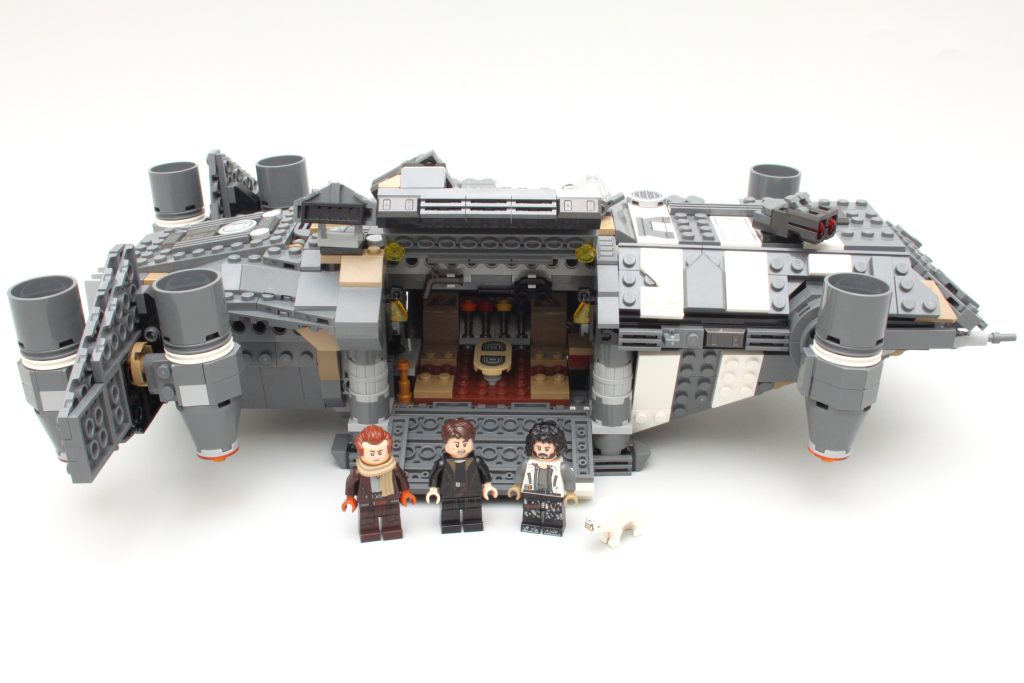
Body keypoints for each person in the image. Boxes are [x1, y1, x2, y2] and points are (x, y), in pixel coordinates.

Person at [341, 425, 416, 542]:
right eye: (371, 453)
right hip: (368, 501)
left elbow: (401, 478)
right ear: (361, 452)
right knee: (368, 522)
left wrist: (405, 492)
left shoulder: (392, 467)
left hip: (390, 499)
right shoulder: (359, 471)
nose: (376, 456)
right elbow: (351, 482)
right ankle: (369, 532)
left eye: (380, 452)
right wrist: (350, 498)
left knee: (392, 520)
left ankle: (392, 530)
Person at [426, 419, 498, 533]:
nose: (461, 448)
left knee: (473, 511)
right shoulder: (442, 463)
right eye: (456, 444)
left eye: (465, 444)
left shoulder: (477, 461)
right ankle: (450, 523)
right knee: (450, 511)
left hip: (472, 492)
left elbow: (485, 473)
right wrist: (433, 489)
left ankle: (473, 522)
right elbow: (434, 476)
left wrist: (488, 486)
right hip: (450, 493)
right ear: (445, 444)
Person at [508, 421, 578, 536]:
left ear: (556, 448)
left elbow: (569, 478)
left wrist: (570, 492)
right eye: (539, 448)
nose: (542, 452)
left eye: (547, 449)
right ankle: (530, 524)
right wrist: (517, 486)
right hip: (531, 493)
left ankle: (554, 527)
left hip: (553, 495)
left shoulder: (562, 466)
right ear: (532, 446)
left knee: (553, 512)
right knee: (530, 510)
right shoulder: (527, 463)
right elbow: (520, 474)